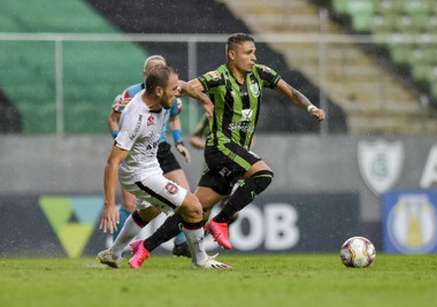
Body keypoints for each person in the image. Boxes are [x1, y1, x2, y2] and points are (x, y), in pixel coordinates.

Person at [135, 32, 325, 256]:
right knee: (263, 174)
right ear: (232, 55)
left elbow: (291, 92)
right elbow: (187, 86)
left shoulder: (261, 74)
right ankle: (221, 221)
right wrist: (187, 94)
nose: (253, 57)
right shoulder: (218, 77)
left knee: (197, 208)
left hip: (236, 153)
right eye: (248, 53)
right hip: (220, 147)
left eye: (254, 52)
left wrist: (310, 107)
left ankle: (145, 247)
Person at [98, 64, 230, 270]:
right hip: (138, 175)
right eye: (173, 89)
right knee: (194, 207)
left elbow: (185, 87)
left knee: (149, 211)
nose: (178, 93)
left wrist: (204, 100)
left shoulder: (158, 94)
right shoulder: (136, 117)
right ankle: (201, 260)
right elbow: (113, 161)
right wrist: (108, 204)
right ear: (159, 90)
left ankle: (113, 253)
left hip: (151, 166)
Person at [106, 55, 191, 259]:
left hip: (160, 149)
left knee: (185, 196)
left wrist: (179, 141)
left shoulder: (170, 95)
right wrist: (121, 139)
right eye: (152, 69)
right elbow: (113, 119)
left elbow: (174, 118)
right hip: (135, 151)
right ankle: (117, 251)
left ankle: (180, 243)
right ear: (145, 75)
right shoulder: (130, 96)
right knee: (130, 205)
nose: (156, 72)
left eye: (160, 69)